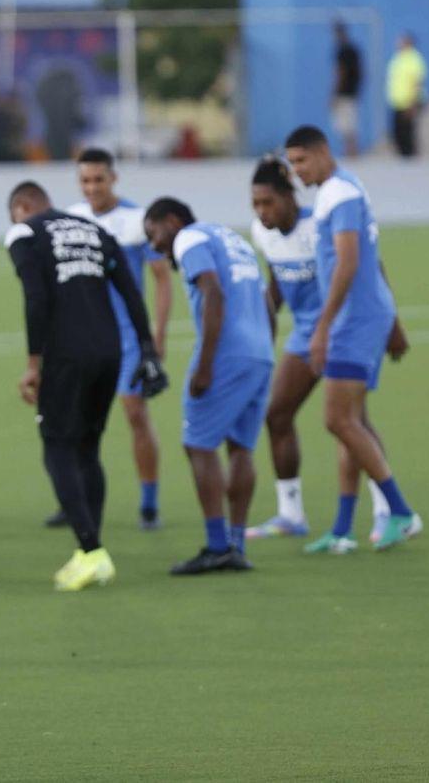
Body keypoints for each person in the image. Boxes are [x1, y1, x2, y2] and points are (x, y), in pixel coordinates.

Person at [5, 182, 167, 591]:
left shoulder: (24, 232)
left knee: (57, 446)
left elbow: (35, 297)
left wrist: (32, 362)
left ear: (21, 208)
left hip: (66, 354)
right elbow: (131, 291)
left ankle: (92, 551)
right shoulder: (94, 230)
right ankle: (88, 553)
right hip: (110, 351)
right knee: (88, 448)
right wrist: (147, 350)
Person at [246, 156, 404, 543]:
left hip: (342, 328)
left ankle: (386, 512)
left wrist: (393, 325)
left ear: (288, 197)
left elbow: (369, 264)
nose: (262, 212)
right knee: (277, 413)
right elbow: (278, 283)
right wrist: (262, 335)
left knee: (352, 422)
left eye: (268, 202)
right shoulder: (261, 233)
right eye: (255, 205)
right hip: (305, 335)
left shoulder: (318, 222)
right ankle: (290, 513)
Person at [284, 125, 421, 552]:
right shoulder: (342, 189)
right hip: (365, 314)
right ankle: (343, 528)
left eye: (301, 160)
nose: (296, 172)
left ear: (323, 152)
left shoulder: (339, 193)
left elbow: (349, 261)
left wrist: (322, 327)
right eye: (291, 164)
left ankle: (400, 510)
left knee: (337, 420)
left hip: (353, 319)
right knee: (351, 422)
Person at [143, 198, 272, 575]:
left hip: (226, 353)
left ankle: (217, 546)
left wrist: (205, 365)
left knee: (198, 443)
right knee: (241, 448)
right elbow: (265, 302)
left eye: (153, 234)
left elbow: (212, 293)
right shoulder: (235, 242)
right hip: (260, 352)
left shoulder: (189, 238)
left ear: (172, 220)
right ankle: (236, 544)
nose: (153, 245)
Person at [61, 148, 172, 530]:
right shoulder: (72, 220)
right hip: (83, 336)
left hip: (126, 336)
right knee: (75, 420)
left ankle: (149, 502)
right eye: (85, 181)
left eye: (99, 180)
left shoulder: (135, 220)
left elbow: (160, 280)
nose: (92, 188)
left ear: (114, 179)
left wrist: (156, 336)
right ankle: (74, 499)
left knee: (135, 414)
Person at [386, 33, 426, 158]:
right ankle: (403, 158)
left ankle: (411, 159)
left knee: (407, 132)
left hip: (409, 102)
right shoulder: (398, 58)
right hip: (398, 102)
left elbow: (417, 82)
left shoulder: (414, 59)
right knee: (398, 133)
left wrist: (413, 103)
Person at [331, 22, 362, 157]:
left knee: (345, 122)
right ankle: (351, 149)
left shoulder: (342, 51)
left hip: (344, 92)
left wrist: (334, 92)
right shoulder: (354, 50)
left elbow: (340, 73)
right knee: (351, 121)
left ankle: (350, 149)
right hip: (353, 91)